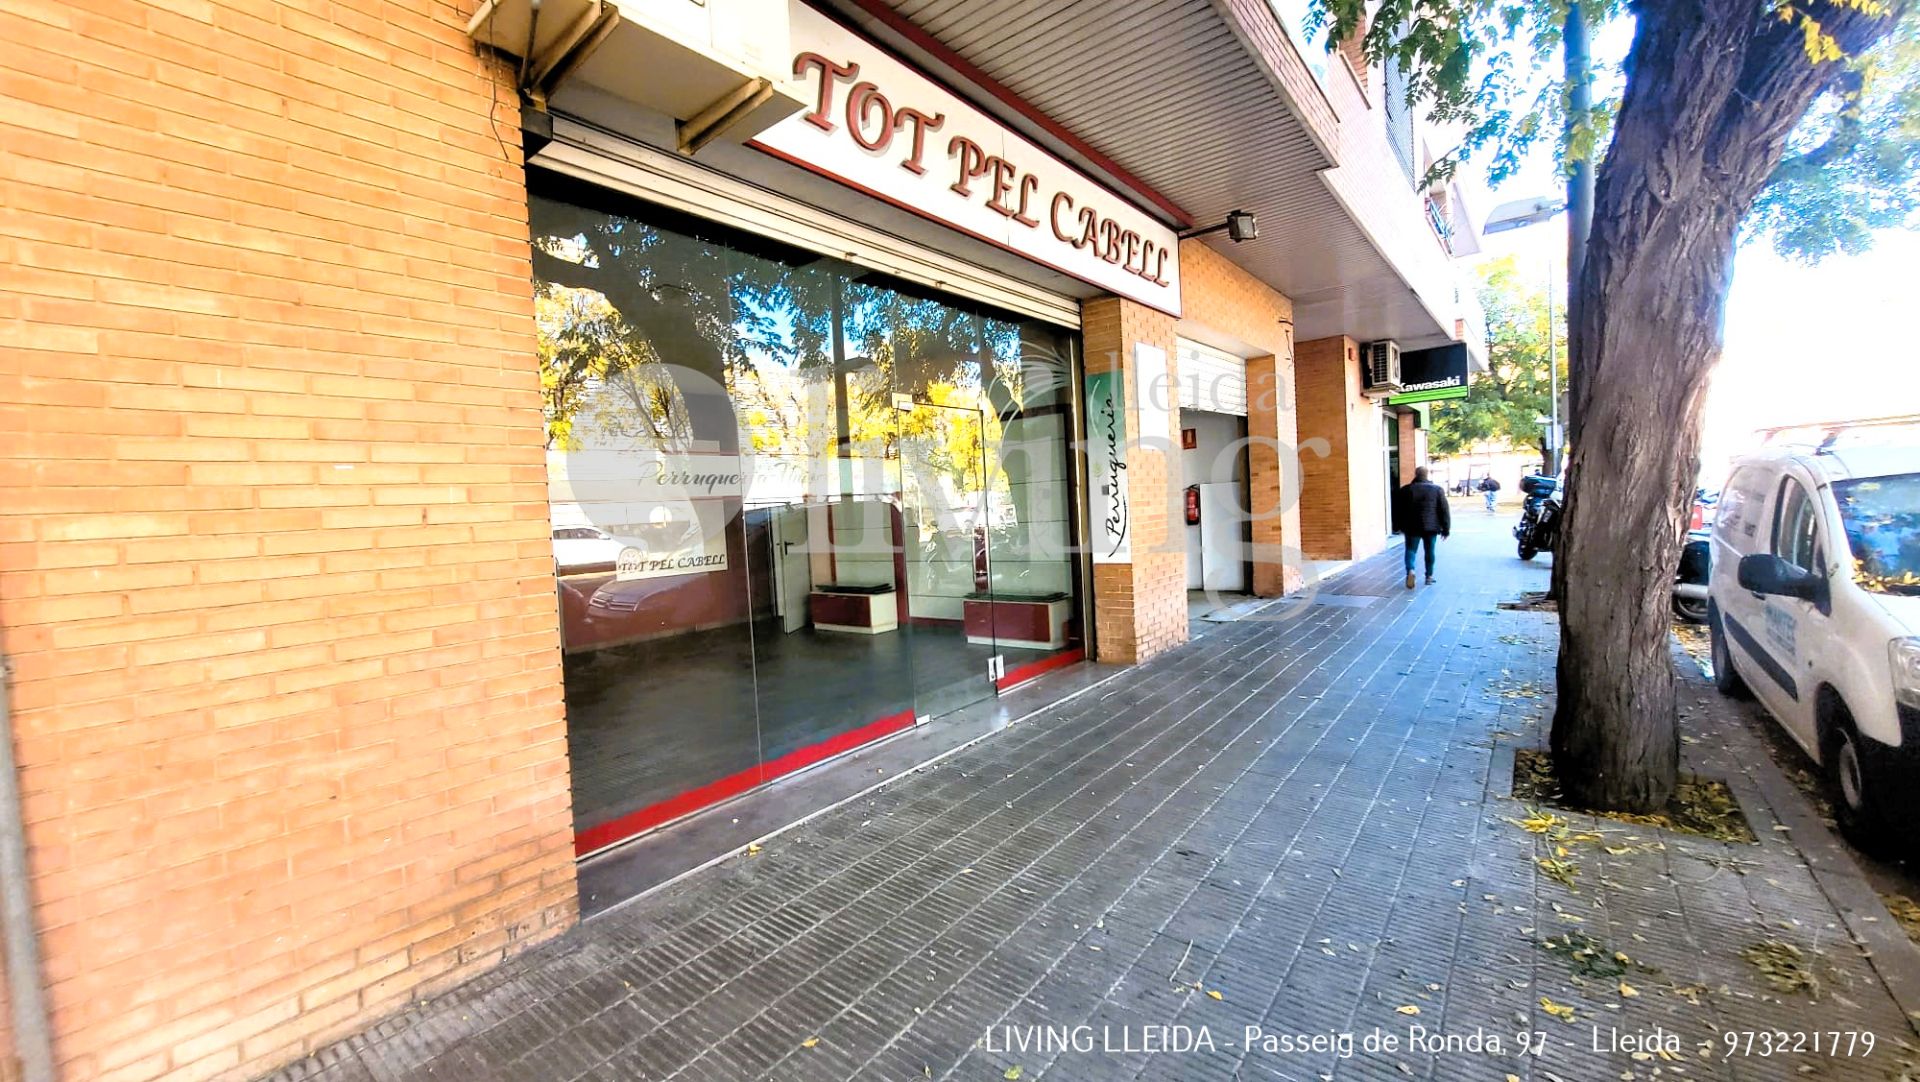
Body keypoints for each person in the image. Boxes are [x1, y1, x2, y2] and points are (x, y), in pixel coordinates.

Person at [1393, 466, 1451, 589]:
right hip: (1431, 527)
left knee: (1411, 550)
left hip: (1411, 526)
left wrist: (1396, 526)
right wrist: (1446, 529)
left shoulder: (1406, 490)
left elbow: (1397, 510)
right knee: (1430, 551)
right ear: (1427, 475)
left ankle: (1410, 570)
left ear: (1416, 474)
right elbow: (1444, 510)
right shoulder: (1437, 490)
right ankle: (1429, 576)